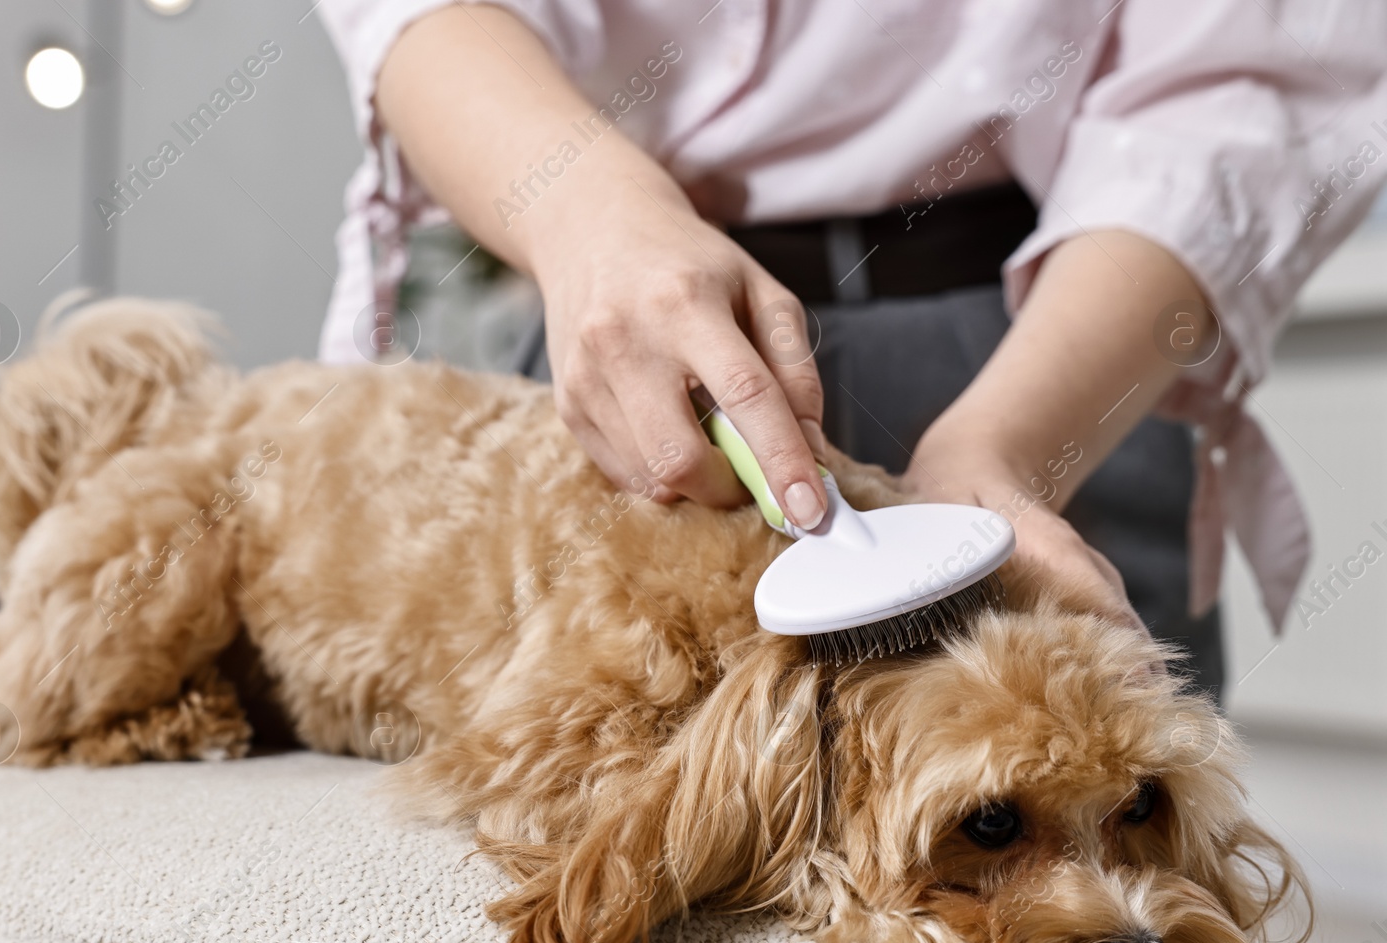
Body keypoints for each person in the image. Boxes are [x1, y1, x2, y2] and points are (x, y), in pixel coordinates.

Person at [315, 1, 1387, 698]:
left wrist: (1007, 448)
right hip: (639, 338)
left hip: (1059, 337)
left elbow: (1249, 79)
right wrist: (590, 217)